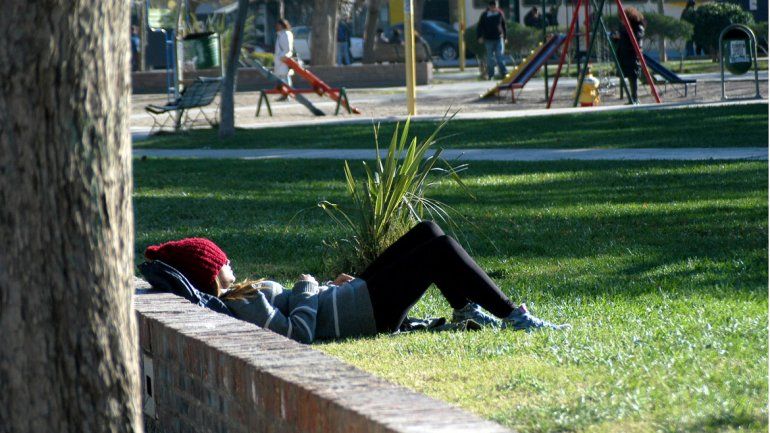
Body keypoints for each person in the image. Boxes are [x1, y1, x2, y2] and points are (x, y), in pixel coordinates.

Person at [143, 222, 569, 345]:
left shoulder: (241, 296)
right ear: (212, 271)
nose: (231, 263)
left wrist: (326, 285)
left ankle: (465, 306)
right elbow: (295, 336)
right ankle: (514, 316)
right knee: (437, 253)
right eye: (224, 261)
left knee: (428, 232)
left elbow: (298, 309)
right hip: (363, 312)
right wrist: (309, 287)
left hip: (348, 297)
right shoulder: (242, 303)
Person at [616, 7, 645, 104]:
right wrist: (616, 37)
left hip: (632, 54)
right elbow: (621, 38)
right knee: (628, 76)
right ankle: (632, 98)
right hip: (624, 54)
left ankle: (635, 97)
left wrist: (624, 35)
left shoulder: (637, 26)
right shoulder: (623, 27)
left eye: (623, 19)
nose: (622, 22)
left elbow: (637, 38)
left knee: (633, 76)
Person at [476, 1, 508, 80]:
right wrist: (479, 37)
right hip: (488, 39)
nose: (493, 8)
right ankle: (491, 75)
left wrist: (505, 37)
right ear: (489, 7)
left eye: (495, 6)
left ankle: (504, 73)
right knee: (490, 59)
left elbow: (504, 26)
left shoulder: (499, 14)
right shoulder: (485, 15)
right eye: (492, 6)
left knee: (499, 57)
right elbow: (479, 26)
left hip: (498, 38)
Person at [273, 18, 294, 101]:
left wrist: (282, 57)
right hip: (281, 59)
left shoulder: (286, 34)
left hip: (284, 59)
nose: (277, 26)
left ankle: (287, 95)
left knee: (285, 77)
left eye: (278, 25)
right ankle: (284, 95)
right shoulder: (281, 34)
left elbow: (287, 48)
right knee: (282, 77)